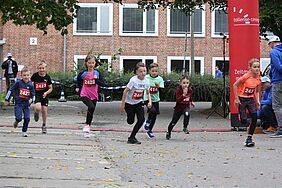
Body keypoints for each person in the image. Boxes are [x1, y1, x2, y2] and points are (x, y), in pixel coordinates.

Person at [120, 62, 152, 144]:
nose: (143, 73)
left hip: (138, 103)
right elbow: (125, 91)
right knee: (130, 121)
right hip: (129, 103)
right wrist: (123, 104)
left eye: (144, 71)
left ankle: (132, 137)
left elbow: (148, 92)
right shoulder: (133, 80)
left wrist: (149, 102)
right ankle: (129, 117)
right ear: (137, 72)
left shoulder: (147, 81)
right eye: (141, 71)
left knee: (141, 119)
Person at [233, 58, 261, 147]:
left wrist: (257, 101)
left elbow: (256, 91)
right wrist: (236, 98)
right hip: (242, 99)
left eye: (258, 67)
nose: (257, 69)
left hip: (250, 99)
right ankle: (241, 115)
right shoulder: (246, 77)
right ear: (250, 68)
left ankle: (249, 138)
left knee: (254, 117)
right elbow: (235, 85)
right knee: (244, 121)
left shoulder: (259, 78)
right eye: (255, 67)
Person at [75, 53, 104, 138]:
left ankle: (88, 125)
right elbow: (78, 81)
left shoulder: (97, 73)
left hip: (94, 95)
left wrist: (96, 80)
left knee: (92, 110)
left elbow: (102, 83)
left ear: (95, 64)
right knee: (90, 107)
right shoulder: (83, 74)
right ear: (86, 63)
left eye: (93, 63)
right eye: (89, 63)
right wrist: (77, 87)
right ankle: (87, 125)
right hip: (84, 94)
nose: (91, 65)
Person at [4, 67, 35, 137]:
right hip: (18, 103)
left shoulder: (30, 85)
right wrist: (7, 99)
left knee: (27, 118)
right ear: (21, 76)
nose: (26, 77)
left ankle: (24, 131)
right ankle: (17, 121)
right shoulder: (18, 83)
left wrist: (31, 99)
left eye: (27, 75)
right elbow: (10, 90)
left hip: (26, 104)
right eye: (24, 75)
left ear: (30, 75)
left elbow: (33, 94)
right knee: (19, 117)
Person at [166, 75, 195, 140]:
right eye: (184, 83)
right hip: (179, 108)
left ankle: (185, 127)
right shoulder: (178, 90)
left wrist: (191, 101)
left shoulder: (190, 90)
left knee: (187, 114)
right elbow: (178, 100)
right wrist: (183, 95)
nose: (185, 85)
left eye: (187, 83)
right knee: (173, 121)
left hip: (186, 106)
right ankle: (169, 132)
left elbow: (190, 96)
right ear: (180, 83)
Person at [143, 63, 164, 139]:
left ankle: (149, 130)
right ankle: (148, 121)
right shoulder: (146, 78)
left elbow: (162, 91)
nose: (154, 72)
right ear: (149, 71)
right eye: (153, 71)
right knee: (152, 111)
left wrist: (158, 87)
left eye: (156, 71)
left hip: (156, 99)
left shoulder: (160, 79)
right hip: (147, 98)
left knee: (154, 116)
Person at [31, 61, 53, 134]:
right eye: (40, 68)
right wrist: (31, 93)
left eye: (43, 68)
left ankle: (44, 125)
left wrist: (46, 93)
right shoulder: (34, 76)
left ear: (45, 68)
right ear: (38, 69)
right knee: (38, 108)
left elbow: (51, 88)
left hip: (44, 95)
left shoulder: (47, 77)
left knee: (44, 110)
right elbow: (31, 85)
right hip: (37, 94)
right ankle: (36, 112)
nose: (41, 70)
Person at [268, 35, 282, 138]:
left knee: (277, 106)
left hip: (278, 82)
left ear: (272, 43)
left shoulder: (274, 52)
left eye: (269, 45)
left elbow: (278, 67)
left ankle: (280, 129)